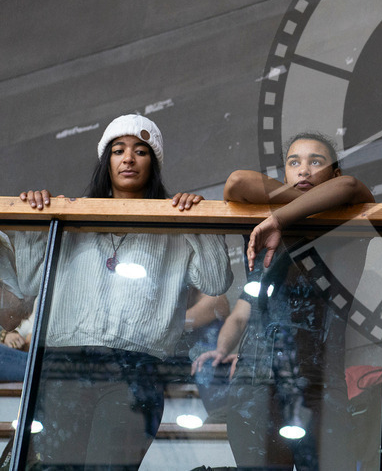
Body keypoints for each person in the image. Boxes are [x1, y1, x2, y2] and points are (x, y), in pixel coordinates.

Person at [5, 113, 231, 469]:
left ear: (153, 163)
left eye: (141, 151)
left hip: (136, 369)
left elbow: (217, 282)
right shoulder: (72, 217)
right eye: (118, 150)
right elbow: (32, 283)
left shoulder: (175, 220)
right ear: (105, 160)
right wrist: (38, 218)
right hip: (65, 365)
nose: (128, 158)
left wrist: (199, 220)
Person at [199, 132, 374, 470]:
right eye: (294, 163)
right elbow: (238, 182)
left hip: (320, 387)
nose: (304, 170)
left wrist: (281, 216)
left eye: (316, 161)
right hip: (255, 387)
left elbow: (351, 187)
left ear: (333, 174)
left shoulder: (349, 225)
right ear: (283, 175)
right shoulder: (261, 227)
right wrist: (288, 209)